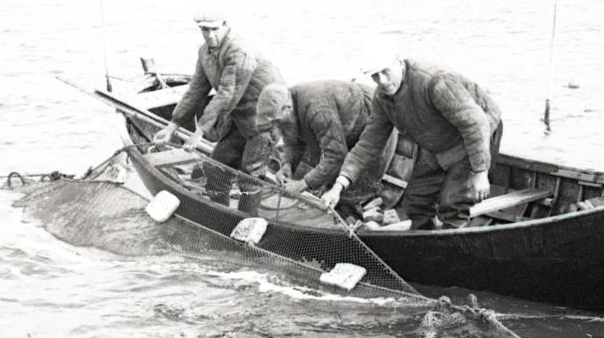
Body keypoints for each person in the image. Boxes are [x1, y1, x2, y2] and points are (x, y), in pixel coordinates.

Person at [320, 52, 502, 230]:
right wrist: (338, 186)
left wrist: (480, 172)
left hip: (477, 135)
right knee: (415, 199)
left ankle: (453, 244)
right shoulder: (383, 98)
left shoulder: (435, 81)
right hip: (436, 139)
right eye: (374, 75)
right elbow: (368, 144)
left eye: (385, 71)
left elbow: (475, 124)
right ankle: (425, 242)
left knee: (452, 202)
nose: (382, 80)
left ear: (399, 62)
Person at [153, 13, 284, 207]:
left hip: (267, 118)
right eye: (205, 29)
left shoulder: (239, 51)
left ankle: (247, 219)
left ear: (225, 25)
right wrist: (172, 126)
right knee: (215, 169)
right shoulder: (204, 52)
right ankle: (219, 213)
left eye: (214, 29)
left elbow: (227, 94)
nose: (210, 35)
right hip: (239, 116)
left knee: (250, 174)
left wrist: (200, 131)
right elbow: (196, 90)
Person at [255, 80, 375, 197]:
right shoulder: (288, 104)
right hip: (339, 122)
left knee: (353, 190)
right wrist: (287, 164)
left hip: (369, 116)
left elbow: (336, 155)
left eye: (277, 121)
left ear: (287, 108)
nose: (277, 127)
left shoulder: (317, 110)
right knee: (321, 167)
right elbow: (292, 140)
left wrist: (304, 184)